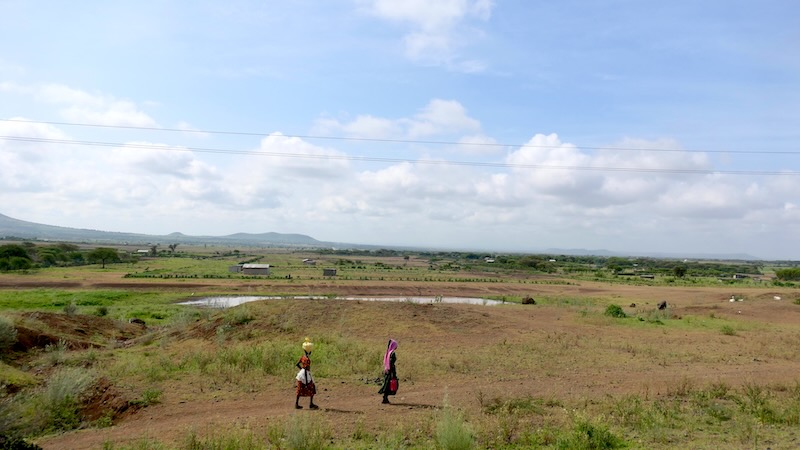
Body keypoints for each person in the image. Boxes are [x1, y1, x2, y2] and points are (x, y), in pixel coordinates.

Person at [295, 337, 318, 409]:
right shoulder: (307, 359)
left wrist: (301, 369)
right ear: (309, 352)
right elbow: (307, 368)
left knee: (299, 388)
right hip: (305, 374)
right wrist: (305, 376)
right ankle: (311, 404)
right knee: (312, 387)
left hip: (301, 374)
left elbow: (297, 364)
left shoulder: (303, 357)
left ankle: (296, 404)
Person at [378, 339, 398, 404]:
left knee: (387, 384)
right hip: (391, 372)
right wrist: (392, 373)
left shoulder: (387, 353)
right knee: (389, 385)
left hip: (387, 371)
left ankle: (385, 397)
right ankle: (385, 398)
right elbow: (391, 363)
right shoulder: (392, 353)